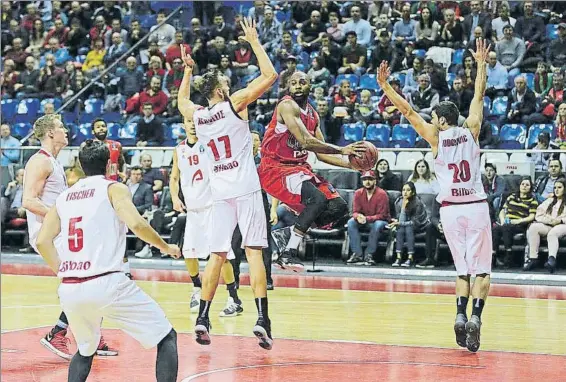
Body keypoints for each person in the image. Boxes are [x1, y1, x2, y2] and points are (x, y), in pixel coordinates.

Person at [377, 38, 492, 353]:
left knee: (462, 270)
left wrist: (385, 86)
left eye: (435, 117)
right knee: (482, 270)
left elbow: (407, 110)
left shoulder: (435, 137)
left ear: (442, 120)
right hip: (477, 205)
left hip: (451, 210)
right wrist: (481, 63)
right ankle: (476, 318)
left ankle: (458, 313)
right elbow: (479, 94)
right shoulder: (472, 130)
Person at [35, 140, 180, 382]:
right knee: (166, 337)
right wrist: (166, 247)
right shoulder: (113, 188)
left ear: (81, 165)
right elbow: (136, 224)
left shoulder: (65, 196)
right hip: (107, 283)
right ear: (110, 163)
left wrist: (63, 271)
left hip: (70, 288)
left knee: (85, 350)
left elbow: (42, 241)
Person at [178, 18, 277, 350]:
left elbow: (181, 104)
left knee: (217, 257)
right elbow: (271, 76)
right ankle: (262, 319)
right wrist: (253, 41)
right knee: (254, 254)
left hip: (218, 192)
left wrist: (188, 71)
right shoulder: (234, 103)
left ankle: (202, 318)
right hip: (245, 188)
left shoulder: (199, 116)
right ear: (220, 90)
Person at [22, 114, 117, 360]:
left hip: (61, 231)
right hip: (49, 234)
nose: (66, 131)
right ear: (50, 133)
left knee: (93, 278)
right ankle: (59, 333)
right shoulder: (40, 161)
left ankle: (90, 336)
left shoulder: (53, 162)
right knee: (84, 281)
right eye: (61, 127)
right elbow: (28, 201)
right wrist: (61, 215)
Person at [258, 72, 366, 272]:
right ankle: (287, 253)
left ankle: (288, 234)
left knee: (339, 207)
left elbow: (321, 154)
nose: (298, 86)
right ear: (288, 87)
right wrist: (342, 149)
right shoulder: (286, 106)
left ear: (310, 86)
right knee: (318, 200)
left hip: (298, 168)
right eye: (293, 83)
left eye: (302, 82)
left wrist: (352, 166)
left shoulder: (313, 115)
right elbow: (306, 141)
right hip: (275, 167)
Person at [169, 116, 243, 317]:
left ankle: (233, 299)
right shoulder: (179, 150)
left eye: (195, 121)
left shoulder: (211, 146)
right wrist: (175, 198)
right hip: (193, 209)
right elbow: (174, 177)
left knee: (222, 255)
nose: (192, 125)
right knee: (189, 253)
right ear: (184, 125)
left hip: (213, 207)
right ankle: (196, 288)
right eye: (188, 122)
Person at [492, 177, 537, 268]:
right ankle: (493, 256)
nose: (524, 186)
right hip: (507, 222)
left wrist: (518, 221)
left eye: (527, 185)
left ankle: (508, 257)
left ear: (530, 188)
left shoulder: (533, 201)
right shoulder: (511, 197)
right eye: (522, 184)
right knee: (496, 228)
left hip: (520, 224)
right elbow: (503, 211)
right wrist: (502, 220)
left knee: (506, 228)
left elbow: (531, 217)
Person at [524, 178, 566, 274]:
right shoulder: (550, 200)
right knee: (534, 227)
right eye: (555, 187)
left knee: (553, 233)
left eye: (559, 187)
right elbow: (538, 214)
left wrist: (560, 220)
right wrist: (550, 220)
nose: (556, 190)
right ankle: (533, 258)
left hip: (563, 225)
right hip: (549, 224)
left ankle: (551, 260)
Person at [390, 181, 430, 267]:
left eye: (408, 190)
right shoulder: (399, 201)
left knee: (408, 227)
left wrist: (400, 223)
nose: (405, 192)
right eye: (403, 190)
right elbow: (399, 218)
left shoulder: (417, 202)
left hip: (420, 225)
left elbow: (416, 222)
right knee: (400, 228)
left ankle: (410, 257)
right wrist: (397, 219)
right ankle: (399, 257)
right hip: (404, 224)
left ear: (413, 192)